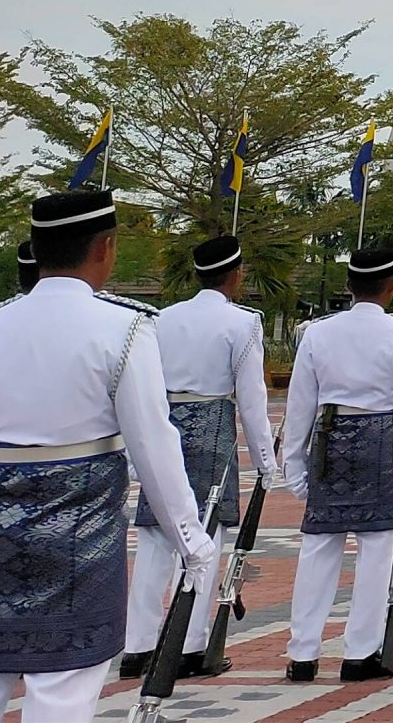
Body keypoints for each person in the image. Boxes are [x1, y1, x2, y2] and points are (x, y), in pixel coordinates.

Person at [0, 191, 213, 723]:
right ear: (105, 248)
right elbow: (154, 443)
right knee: (62, 691)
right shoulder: (125, 328)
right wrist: (190, 541)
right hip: (77, 537)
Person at [120, 234, 278, 678]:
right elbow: (252, 399)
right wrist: (265, 462)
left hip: (166, 425)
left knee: (154, 537)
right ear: (235, 274)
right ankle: (189, 645)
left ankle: (138, 647)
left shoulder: (160, 320)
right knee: (205, 538)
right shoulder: (243, 324)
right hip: (212, 428)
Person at [278, 242, 393, 682]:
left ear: (349, 285)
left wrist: (294, 467)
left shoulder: (318, 333)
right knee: (376, 553)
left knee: (318, 548)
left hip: (330, 439)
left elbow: (299, 405)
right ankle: (360, 654)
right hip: (383, 441)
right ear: (391, 286)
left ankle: (302, 653)